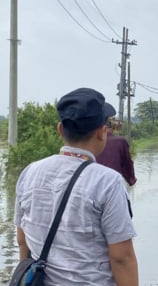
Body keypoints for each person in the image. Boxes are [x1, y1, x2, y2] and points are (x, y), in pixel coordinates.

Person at [13, 87, 139, 285]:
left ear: (60, 130)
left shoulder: (29, 172)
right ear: (101, 132)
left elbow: (23, 240)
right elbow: (122, 258)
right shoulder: (108, 182)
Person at [97, 106, 138, 186]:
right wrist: (131, 179)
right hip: (114, 186)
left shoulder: (88, 141)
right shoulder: (120, 142)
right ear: (112, 125)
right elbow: (127, 166)